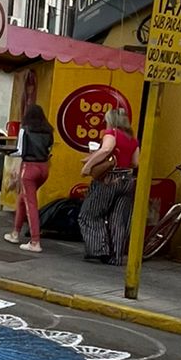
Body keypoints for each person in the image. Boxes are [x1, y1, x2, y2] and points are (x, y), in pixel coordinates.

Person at [78, 106, 139, 265]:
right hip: (127, 180)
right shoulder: (132, 139)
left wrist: (88, 165)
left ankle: (99, 250)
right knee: (119, 219)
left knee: (89, 214)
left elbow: (106, 149)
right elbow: (135, 162)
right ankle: (116, 256)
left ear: (110, 121)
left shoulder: (111, 133)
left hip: (109, 179)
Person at [5, 102, 54, 253]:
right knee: (22, 198)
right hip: (44, 168)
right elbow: (49, 149)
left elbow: (20, 150)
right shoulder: (48, 131)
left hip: (29, 169)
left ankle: (35, 241)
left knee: (30, 204)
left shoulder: (24, 130)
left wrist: (8, 155)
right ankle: (15, 233)